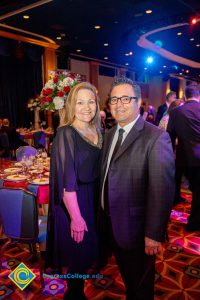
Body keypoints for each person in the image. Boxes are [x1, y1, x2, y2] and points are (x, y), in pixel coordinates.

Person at [99, 76, 175, 300]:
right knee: (124, 276)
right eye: (114, 99)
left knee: (139, 287)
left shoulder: (157, 137)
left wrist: (153, 233)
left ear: (138, 101)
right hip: (108, 224)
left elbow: (162, 190)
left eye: (125, 98)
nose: (119, 104)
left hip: (137, 230)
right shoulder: (109, 134)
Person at [45, 82, 103, 300]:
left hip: (93, 199)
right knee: (77, 256)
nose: (86, 107)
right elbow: (66, 181)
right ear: (71, 105)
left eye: (91, 102)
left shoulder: (98, 129)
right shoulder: (66, 133)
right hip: (75, 203)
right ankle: (74, 295)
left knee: (88, 253)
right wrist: (76, 218)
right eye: (80, 102)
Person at [167, 85, 200, 231]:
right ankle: (194, 223)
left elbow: (169, 137)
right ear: (198, 96)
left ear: (185, 96)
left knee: (196, 190)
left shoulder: (175, 113)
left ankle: (194, 222)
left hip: (184, 159)